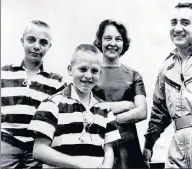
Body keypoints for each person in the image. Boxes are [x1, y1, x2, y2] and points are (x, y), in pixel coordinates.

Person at [28, 44, 121, 168]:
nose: (88, 75)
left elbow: (109, 149)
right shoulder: (52, 104)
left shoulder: (105, 109)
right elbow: (39, 150)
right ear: (70, 70)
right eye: (82, 69)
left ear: (100, 73)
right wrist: (81, 166)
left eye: (94, 71)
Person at [143, 2, 192, 168]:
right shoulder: (167, 67)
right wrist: (149, 144)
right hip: (179, 142)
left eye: (185, 23)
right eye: (174, 22)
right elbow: (159, 110)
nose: (177, 28)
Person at [1, 20, 66, 168]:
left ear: (49, 46)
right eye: (31, 40)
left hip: (36, 147)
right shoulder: (4, 73)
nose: (36, 46)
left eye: (43, 42)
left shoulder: (56, 81)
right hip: (5, 142)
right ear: (22, 41)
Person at [92, 19, 148, 168]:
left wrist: (109, 119)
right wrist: (123, 105)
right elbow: (87, 108)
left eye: (118, 39)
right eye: (108, 38)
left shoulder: (134, 75)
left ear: (124, 43)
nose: (113, 43)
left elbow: (142, 112)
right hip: (98, 142)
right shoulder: (91, 73)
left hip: (128, 146)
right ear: (100, 41)